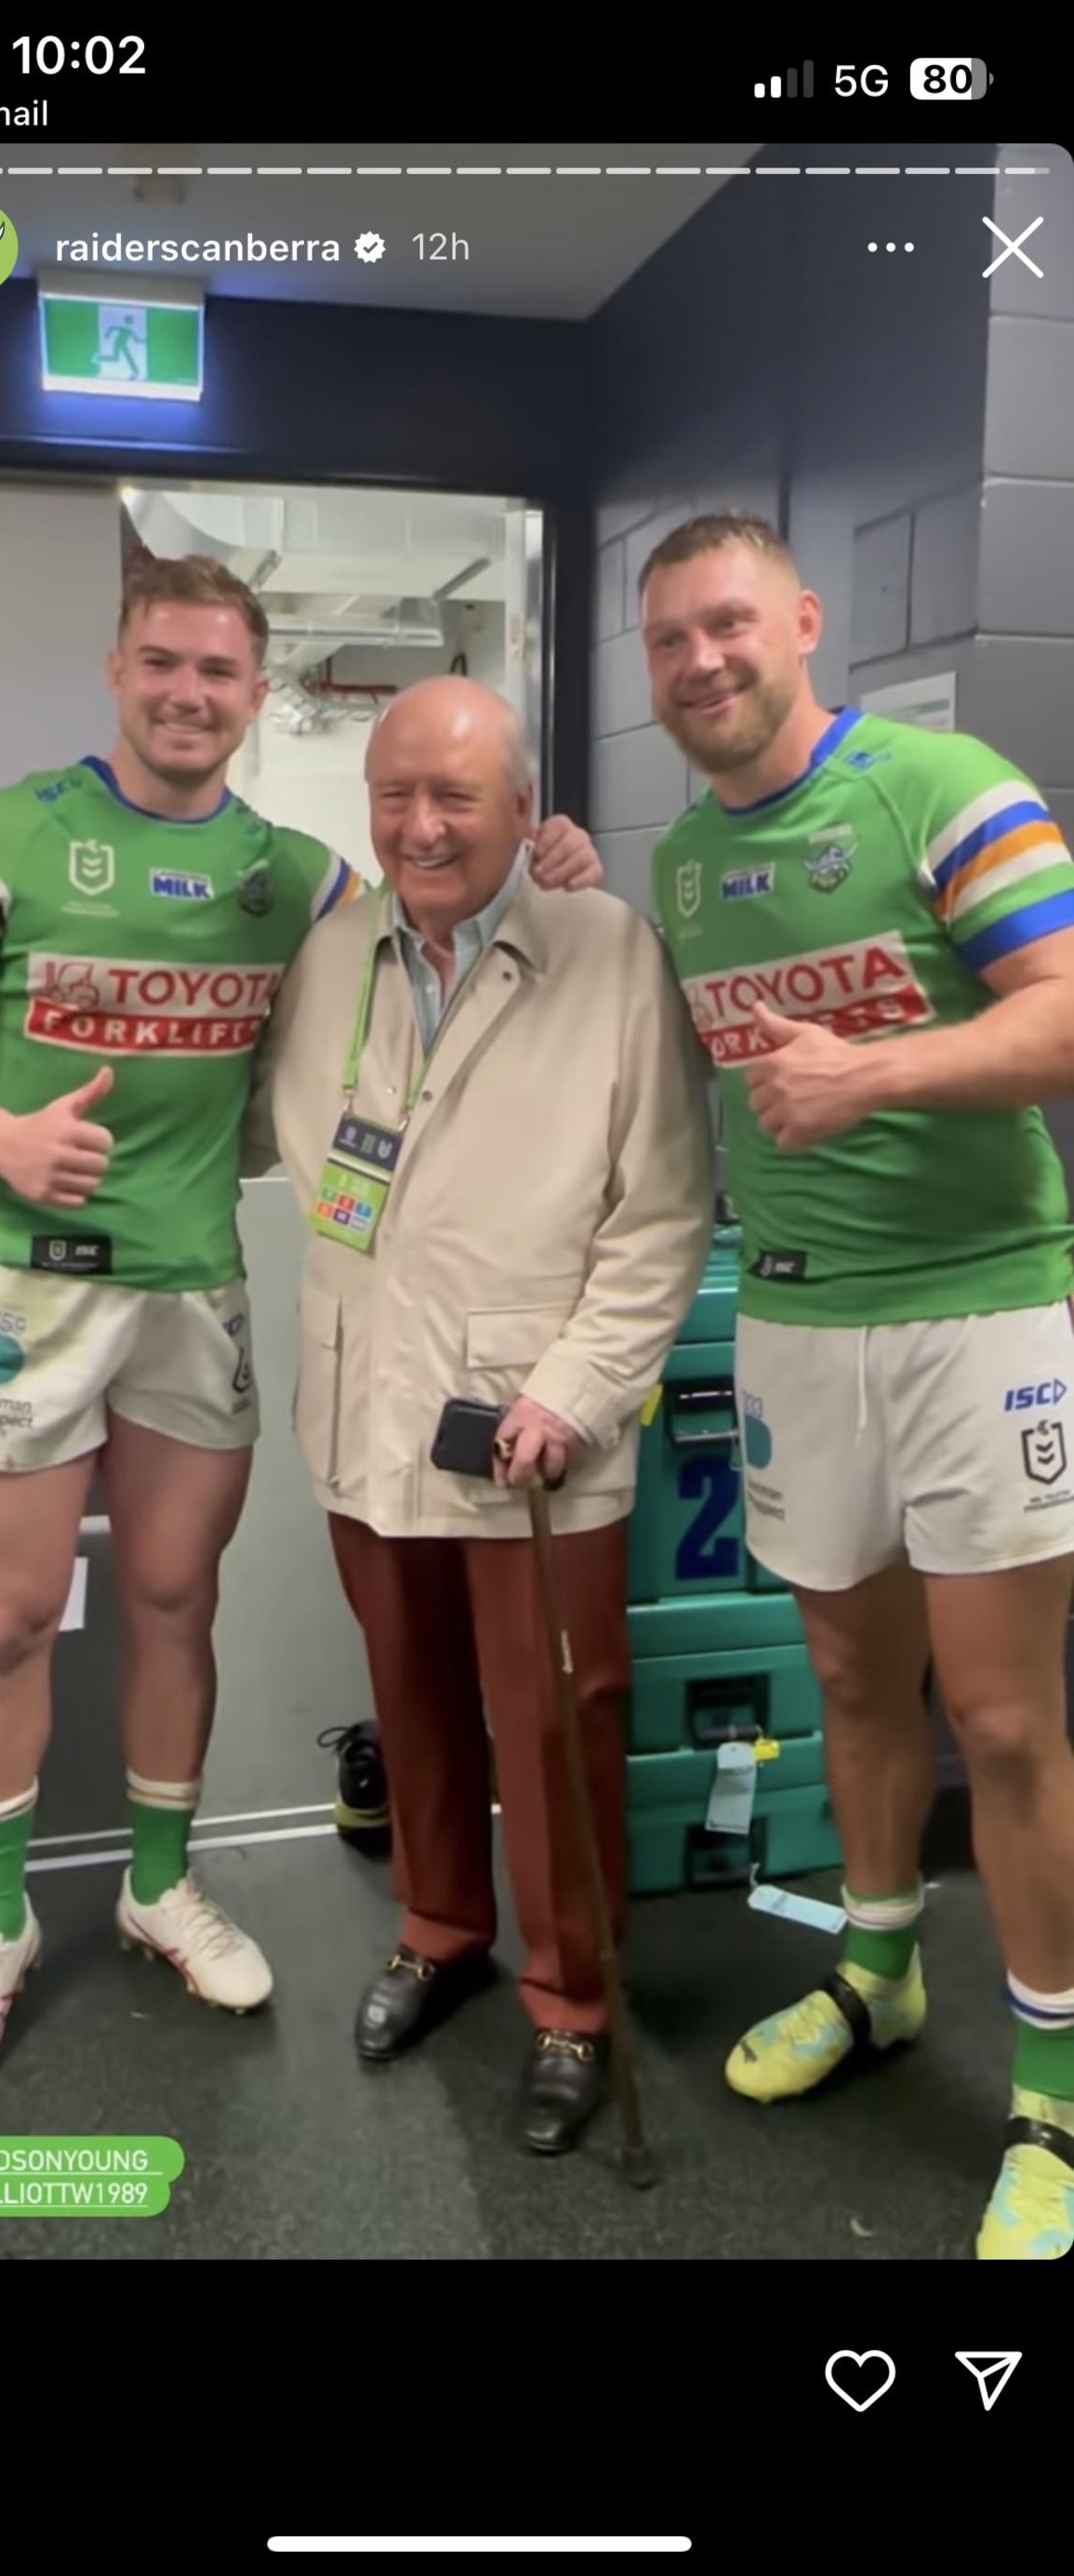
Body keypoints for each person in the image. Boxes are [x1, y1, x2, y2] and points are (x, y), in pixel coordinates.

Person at [0, 556, 603, 2095]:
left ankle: (158, 1883)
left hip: (193, 1289)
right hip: (31, 1285)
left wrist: (555, 866)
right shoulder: (2, 832)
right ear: (117, 666)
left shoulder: (296, 876)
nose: (190, 693)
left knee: (173, 1605)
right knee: (8, 1618)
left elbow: (443, 922)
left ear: (255, 690)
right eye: (163, 662)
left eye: (219, 670)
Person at [641, 509, 1074, 2261]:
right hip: (796, 1327)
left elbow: (1062, 1013)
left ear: (803, 620)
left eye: (728, 623)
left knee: (1004, 1716)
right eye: (669, 640)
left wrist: (877, 1072)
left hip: (980, 1316)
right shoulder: (678, 865)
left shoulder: (942, 781)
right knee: (846, 1676)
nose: (700, 663)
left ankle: (1051, 2093)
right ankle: (878, 1971)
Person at [242, 674, 715, 2155]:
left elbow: (663, 1212)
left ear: (526, 807)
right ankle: (441, 1927)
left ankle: (572, 1998)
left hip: (531, 1425)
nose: (423, 824)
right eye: (396, 794)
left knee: (557, 1712)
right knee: (415, 1688)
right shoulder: (332, 954)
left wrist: (575, 1390)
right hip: (371, 1400)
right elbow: (265, 1125)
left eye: (457, 795)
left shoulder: (607, 946)